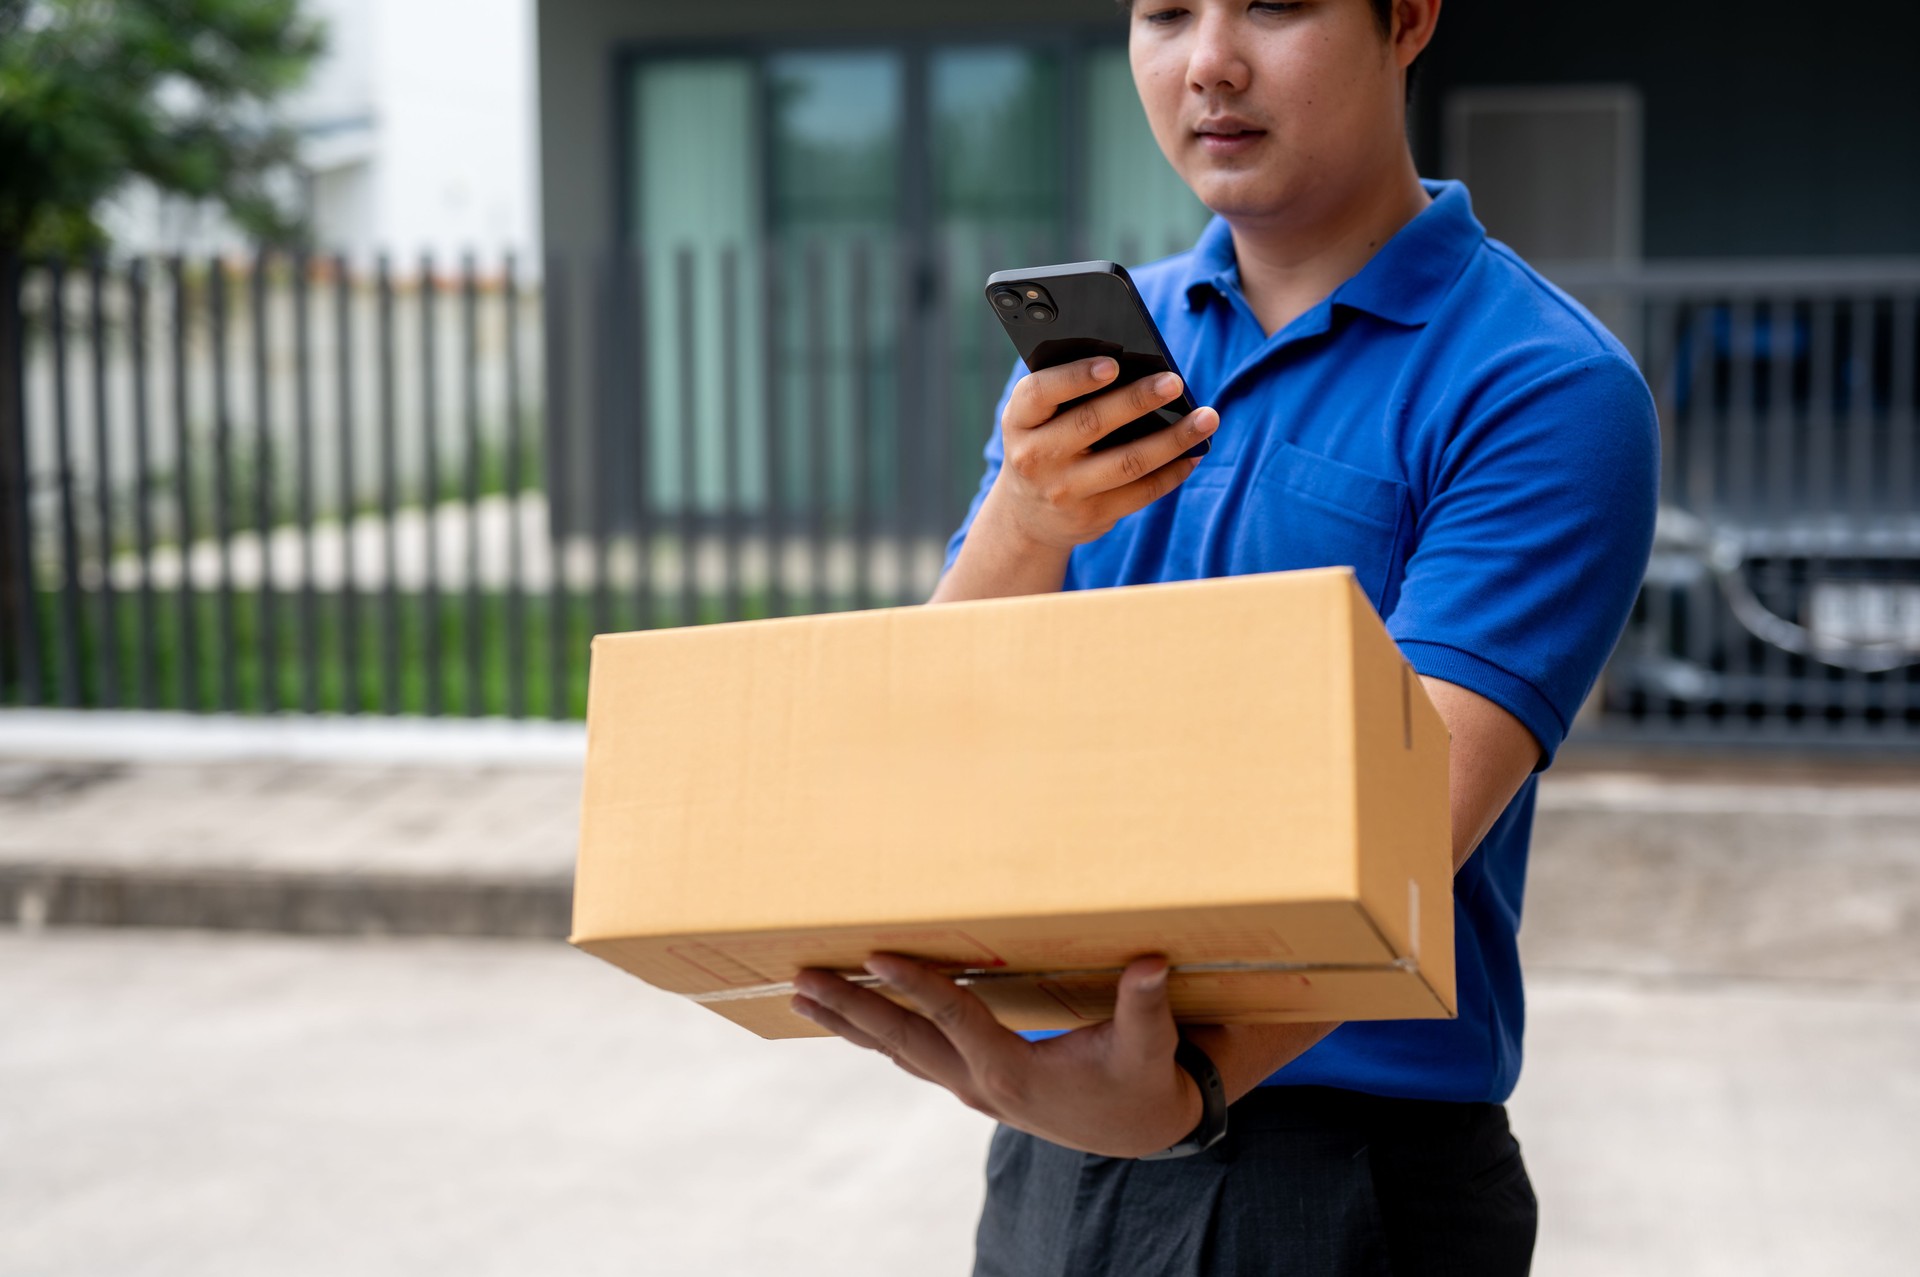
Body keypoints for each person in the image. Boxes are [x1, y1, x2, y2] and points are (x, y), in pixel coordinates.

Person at [790, 0, 1659, 1271]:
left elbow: (1404, 818)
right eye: (1164, 13)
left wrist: (1187, 1091)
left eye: (1274, 5)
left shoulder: (1542, 386)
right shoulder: (1095, 366)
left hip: (1347, 1173)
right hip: (1054, 1144)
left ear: (1407, 18)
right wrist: (1026, 522)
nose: (1209, 63)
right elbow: (933, 737)